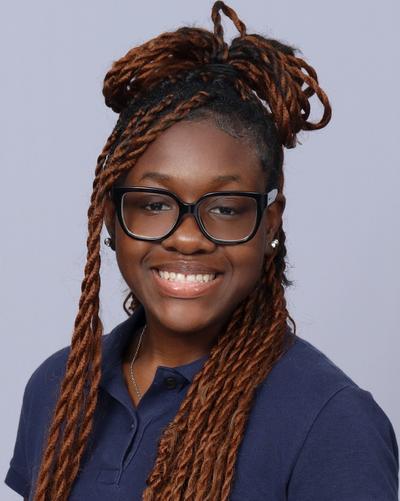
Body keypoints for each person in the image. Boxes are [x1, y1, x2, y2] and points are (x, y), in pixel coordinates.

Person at [4, 1, 398, 500]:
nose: (188, 237)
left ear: (269, 224)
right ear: (111, 217)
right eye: (154, 204)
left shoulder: (332, 423)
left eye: (226, 208)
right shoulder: (58, 387)